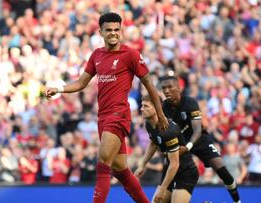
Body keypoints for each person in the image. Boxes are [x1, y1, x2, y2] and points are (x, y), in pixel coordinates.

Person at [44, 12, 169, 203]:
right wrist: (59, 88)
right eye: (109, 30)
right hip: (102, 117)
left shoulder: (131, 55)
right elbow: (81, 83)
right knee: (121, 171)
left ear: (121, 31)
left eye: (117, 29)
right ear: (101, 32)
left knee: (103, 162)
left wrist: (160, 115)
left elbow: (149, 84)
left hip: (118, 115)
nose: (113, 33)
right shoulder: (97, 55)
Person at [161, 76, 241, 203]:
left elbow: (197, 130)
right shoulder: (164, 107)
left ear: (178, 88)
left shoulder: (190, 102)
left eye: (170, 87)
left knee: (219, 165)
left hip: (197, 139)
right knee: (169, 167)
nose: (166, 91)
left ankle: (237, 201)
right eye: (164, 88)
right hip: (179, 142)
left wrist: (188, 147)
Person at [135, 95, 199, 203]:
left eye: (146, 106)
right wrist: (142, 164)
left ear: (156, 108)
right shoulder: (149, 124)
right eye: (142, 105)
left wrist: (162, 189)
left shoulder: (169, 130)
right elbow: (153, 143)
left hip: (185, 172)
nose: (141, 109)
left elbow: (175, 164)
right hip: (169, 170)